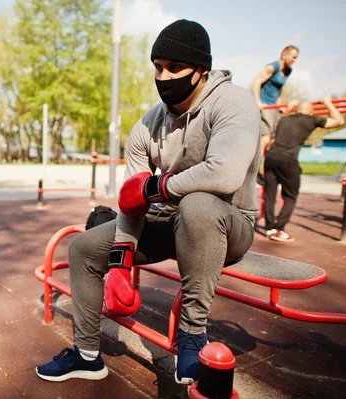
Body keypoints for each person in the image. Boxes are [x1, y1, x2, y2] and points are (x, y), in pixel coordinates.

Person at [36, 19, 261, 386]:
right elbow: (132, 201)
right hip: (170, 222)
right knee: (83, 248)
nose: (164, 76)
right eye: (158, 67)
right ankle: (87, 355)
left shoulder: (234, 102)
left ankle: (192, 335)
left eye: (175, 68)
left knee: (199, 204)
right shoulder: (147, 126)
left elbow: (224, 174)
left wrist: (156, 188)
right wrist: (121, 264)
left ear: (201, 71)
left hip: (228, 225)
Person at [264, 97, 344, 242]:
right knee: (290, 196)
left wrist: (290, 108)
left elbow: (280, 124)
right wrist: (328, 103)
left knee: (270, 195)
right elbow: (339, 121)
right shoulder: (312, 120)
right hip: (288, 160)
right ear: (311, 111)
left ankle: (270, 228)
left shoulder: (284, 119)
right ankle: (279, 229)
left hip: (271, 157)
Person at [252, 46, 300, 163]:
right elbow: (256, 82)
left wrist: (280, 106)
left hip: (274, 108)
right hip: (264, 106)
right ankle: (252, 172)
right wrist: (258, 101)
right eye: (293, 57)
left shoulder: (288, 71)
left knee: (274, 140)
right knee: (265, 138)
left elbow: (279, 89)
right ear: (285, 55)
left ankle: (267, 172)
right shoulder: (272, 67)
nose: (295, 60)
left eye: (296, 58)